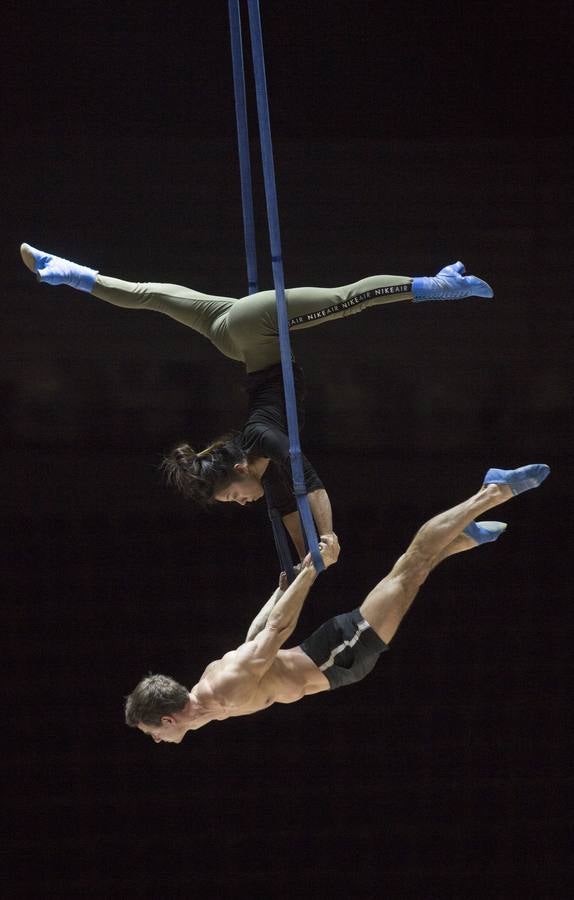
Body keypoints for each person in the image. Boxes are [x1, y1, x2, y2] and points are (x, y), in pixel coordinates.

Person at [20, 242, 493, 561]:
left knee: (348, 299)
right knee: (153, 297)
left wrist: (325, 537)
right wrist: (303, 563)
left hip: (253, 330)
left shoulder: (261, 438)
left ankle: (436, 286)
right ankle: (69, 274)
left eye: (231, 497)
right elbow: (286, 503)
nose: (240, 504)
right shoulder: (262, 462)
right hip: (236, 336)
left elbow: (306, 478)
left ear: (241, 469)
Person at [124, 463, 549, 744]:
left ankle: (492, 490)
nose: (157, 743)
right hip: (337, 664)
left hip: (338, 654)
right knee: (412, 575)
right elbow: (251, 638)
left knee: (411, 567)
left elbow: (273, 634)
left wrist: (311, 571)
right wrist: (278, 592)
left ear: (168, 720)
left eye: (152, 735)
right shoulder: (208, 699)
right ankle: (464, 539)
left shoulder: (222, 689)